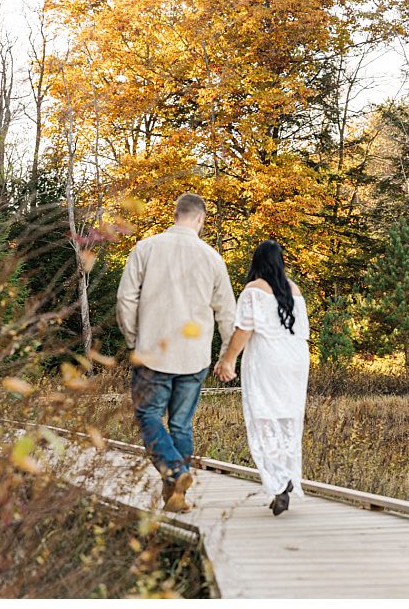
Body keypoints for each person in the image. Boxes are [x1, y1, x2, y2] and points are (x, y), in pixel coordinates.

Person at [117, 193, 236, 513]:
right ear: (201, 219)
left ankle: (177, 472)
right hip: (194, 357)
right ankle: (176, 497)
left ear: (175, 214)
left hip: (153, 352)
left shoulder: (145, 248)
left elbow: (126, 301)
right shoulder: (212, 257)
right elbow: (227, 313)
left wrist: (133, 340)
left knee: (148, 415)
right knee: (181, 424)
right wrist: (228, 357)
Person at [213, 240, 310, 516]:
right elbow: (302, 330)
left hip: (269, 358)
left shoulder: (253, 290)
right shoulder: (295, 290)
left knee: (263, 415)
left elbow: (244, 329)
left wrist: (228, 359)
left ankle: (279, 482)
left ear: (257, 262)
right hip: (296, 359)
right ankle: (287, 472)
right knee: (288, 418)